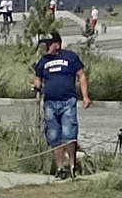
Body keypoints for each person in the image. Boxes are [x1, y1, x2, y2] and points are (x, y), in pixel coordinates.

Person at [33, 31, 90, 178]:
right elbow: (38, 77)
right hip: (50, 103)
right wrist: (37, 85)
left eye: (49, 44)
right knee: (54, 136)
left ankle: (72, 166)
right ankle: (59, 168)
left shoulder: (70, 57)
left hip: (67, 102)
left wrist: (85, 97)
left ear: (57, 44)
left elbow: (81, 75)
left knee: (69, 134)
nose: (47, 46)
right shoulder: (43, 61)